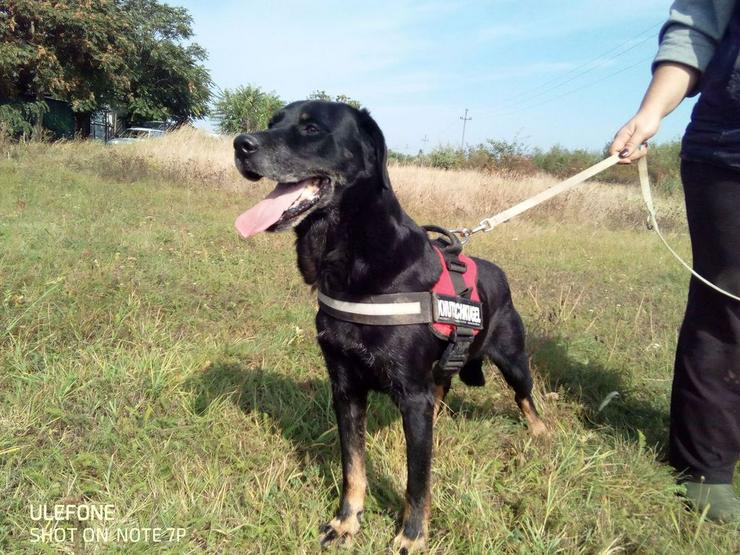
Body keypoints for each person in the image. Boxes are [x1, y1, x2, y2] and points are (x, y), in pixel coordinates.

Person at [609, 0, 739, 523]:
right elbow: (695, 26)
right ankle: (705, 464)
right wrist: (650, 113)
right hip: (730, 151)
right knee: (727, 302)